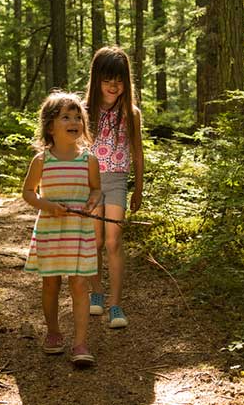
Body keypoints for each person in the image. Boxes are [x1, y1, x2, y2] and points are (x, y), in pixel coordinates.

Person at [23, 91, 102, 366]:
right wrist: (47, 205)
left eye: (78, 116)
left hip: (78, 230)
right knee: (51, 283)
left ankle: (80, 343)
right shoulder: (42, 161)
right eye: (66, 117)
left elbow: (96, 189)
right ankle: (54, 332)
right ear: (50, 126)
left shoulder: (88, 160)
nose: (74, 121)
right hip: (51, 230)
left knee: (80, 285)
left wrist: (93, 200)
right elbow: (29, 193)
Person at [84, 46, 144, 329]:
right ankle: (96, 293)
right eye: (107, 79)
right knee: (94, 242)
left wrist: (139, 188)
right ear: (96, 79)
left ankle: (116, 304)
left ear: (126, 82)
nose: (113, 85)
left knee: (113, 242)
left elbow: (138, 153)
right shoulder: (84, 112)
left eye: (119, 80)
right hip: (90, 184)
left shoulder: (130, 113)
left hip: (118, 181)